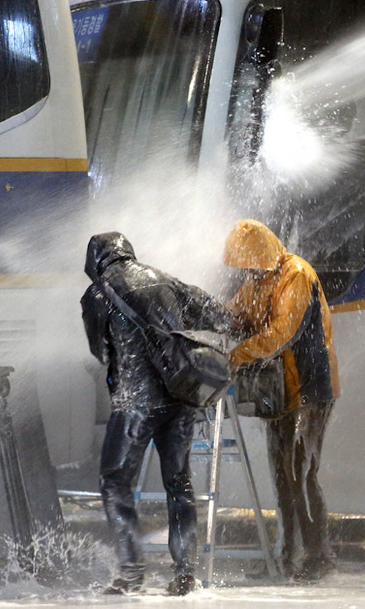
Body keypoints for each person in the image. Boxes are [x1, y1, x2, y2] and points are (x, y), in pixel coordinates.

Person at [80, 232, 231, 596]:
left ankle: (131, 572)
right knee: (178, 481)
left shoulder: (97, 294)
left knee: (114, 481)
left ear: (95, 261)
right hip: (180, 395)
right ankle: (185, 573)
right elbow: (219, 316)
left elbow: (100, 352)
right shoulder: (164, 278)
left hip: (135, 402)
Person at [223, 219, 340, 582]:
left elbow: (282, 333)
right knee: (280, 473)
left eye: (249, 263)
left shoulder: (297, 275)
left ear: (263, 254)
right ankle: (286, 556)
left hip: (310, 390)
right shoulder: (257, 279)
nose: (246, 270)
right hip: (277, 393)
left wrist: (237, 354)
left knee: (302, 473)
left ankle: (318, 557)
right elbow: (236, 315)